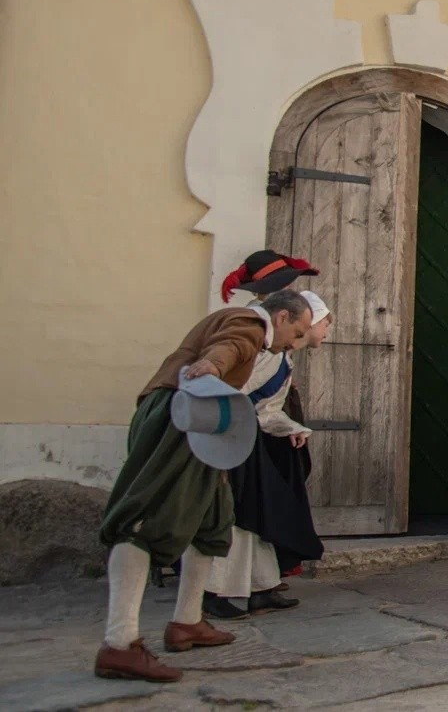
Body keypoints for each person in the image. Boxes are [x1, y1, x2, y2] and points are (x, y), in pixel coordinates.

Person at [95, 290, 312, 681]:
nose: (295, 343)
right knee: (144, 520)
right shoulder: (250, 326)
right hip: (182, 416)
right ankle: (119, 644)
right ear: (281, 317)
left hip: (205, 422)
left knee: (213, 521)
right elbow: (227, 348)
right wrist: (211, 367)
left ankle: (187, 621)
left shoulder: (246, 327)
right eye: (297, 333)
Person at [203, 291, 330, 619]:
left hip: (249, 440)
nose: (326, 330)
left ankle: (261, 587)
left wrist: (289, 428)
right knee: (235, 516)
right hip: (230, 440)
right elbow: (232, 390)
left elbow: (266, 409)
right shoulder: (260, 350)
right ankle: (211, 590)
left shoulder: (282, 361)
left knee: (259, 515)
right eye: (323, 323)